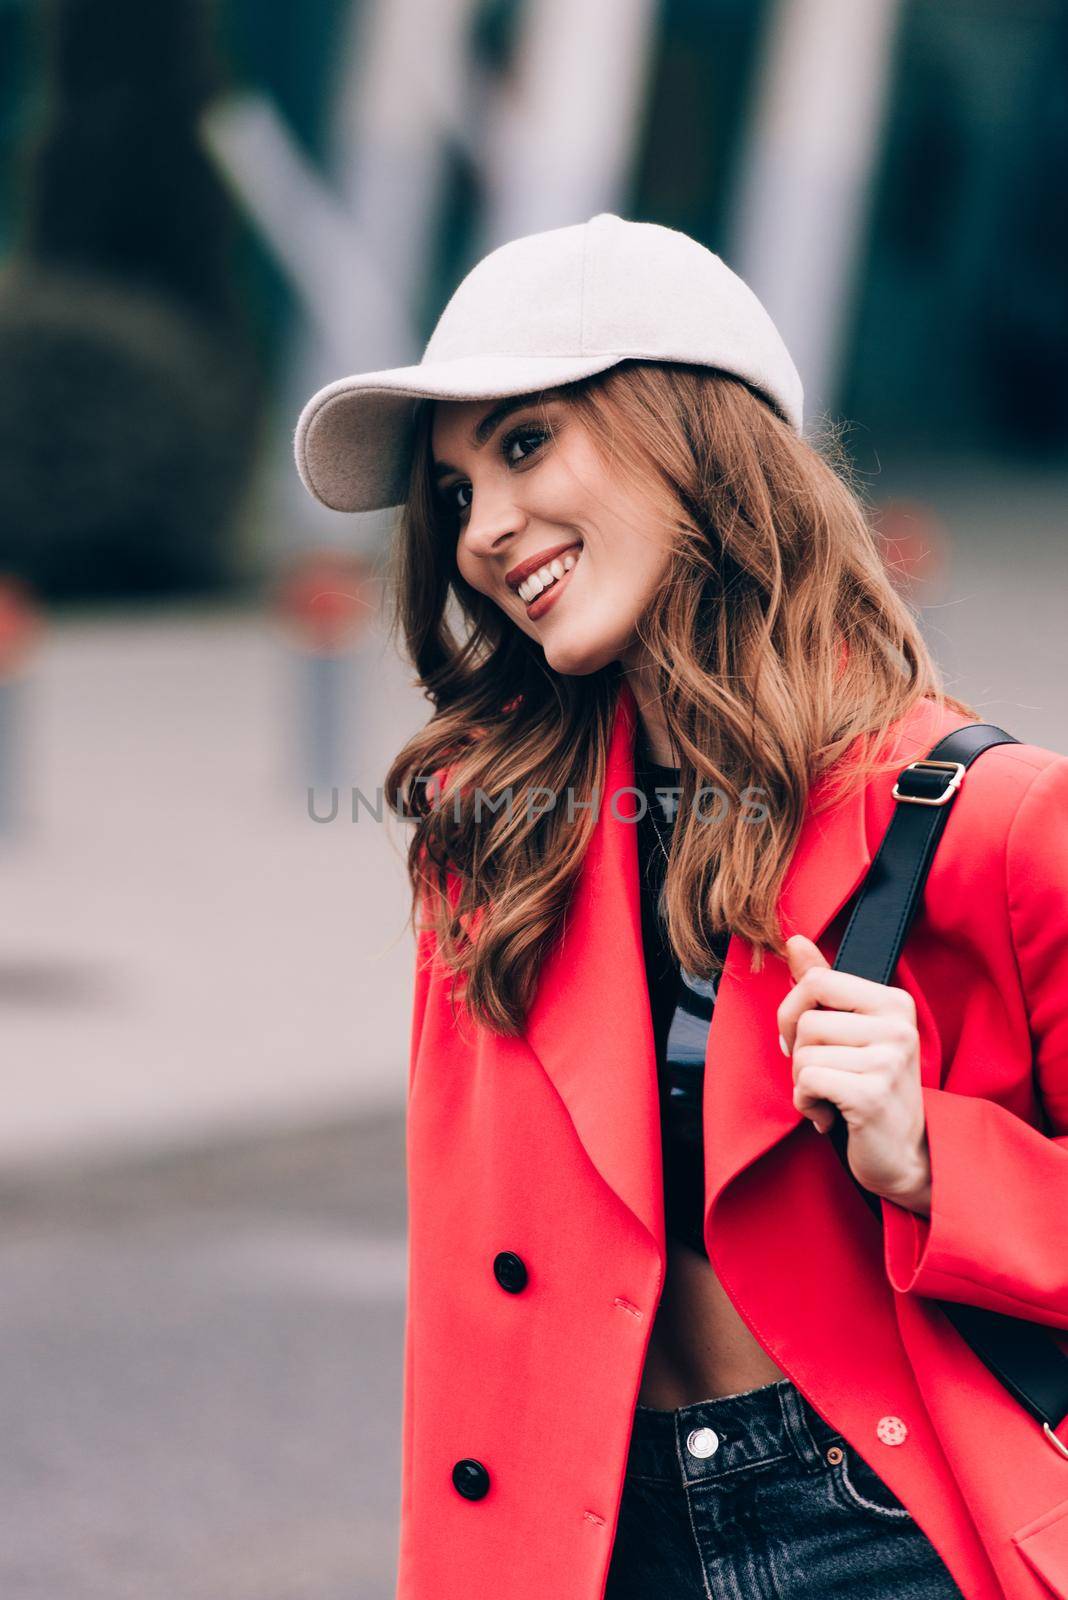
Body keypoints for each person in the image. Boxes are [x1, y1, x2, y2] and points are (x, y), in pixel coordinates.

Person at [295, 214, 1068, 1600]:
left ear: (691, 433)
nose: (486, 530)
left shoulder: (993, 819)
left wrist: (935, 1157)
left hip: (885, 1526)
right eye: (456, 490)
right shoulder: (496, 847)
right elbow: (472, 1325)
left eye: (526, 443)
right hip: (585, 1542)